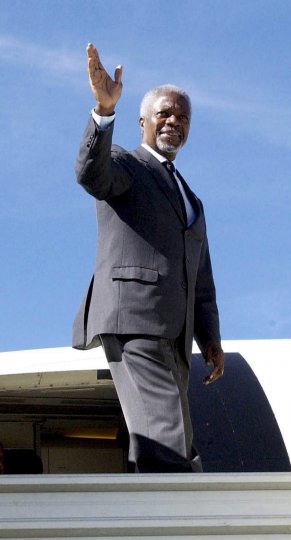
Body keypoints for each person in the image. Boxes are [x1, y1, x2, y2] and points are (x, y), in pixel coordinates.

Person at [72, 43, 225, 473]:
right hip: (134, 320)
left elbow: (202, 279)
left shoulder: (192, 199)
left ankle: (154, 524)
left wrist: (209, 338)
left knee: (161, 441)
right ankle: (184, 530)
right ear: (142, 121)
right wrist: (103, 112)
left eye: (182, 117)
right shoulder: (126, 164)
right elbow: (90, 172)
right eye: (164, 114)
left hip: (175, 335)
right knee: (170, 440)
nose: (174, 121)